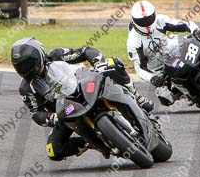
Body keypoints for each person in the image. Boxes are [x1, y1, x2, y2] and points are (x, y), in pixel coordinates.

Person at [10, 37, 152, 162]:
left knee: (113, 62)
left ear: (39, 55)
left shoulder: (56, 55)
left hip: (86, 86)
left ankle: (137, 98)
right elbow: (36, 113)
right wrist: (52, 118)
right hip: (67, 112)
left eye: (28, 64)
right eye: (20, 66)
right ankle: (88, 142)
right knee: (53, 150)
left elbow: (85, 51)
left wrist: (98, 63)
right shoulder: (27, 89)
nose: (25, 69)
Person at [126, 0, 200, 106]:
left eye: (149, 18)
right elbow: (139, 69)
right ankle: (189, 94)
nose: (147, 23)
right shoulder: (133, 41)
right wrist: (152, 78)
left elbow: (184, 25)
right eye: (142, 21)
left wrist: (195, 31)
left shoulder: (160, 20)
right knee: (165, 97)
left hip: (173, 50)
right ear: (134, 21)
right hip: (160, 69)